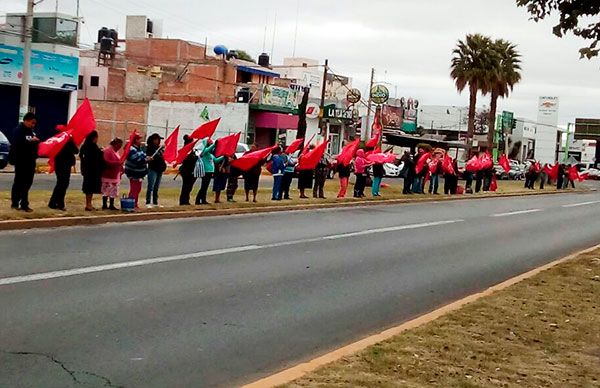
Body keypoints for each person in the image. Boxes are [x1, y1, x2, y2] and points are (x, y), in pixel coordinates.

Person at [10, 112, 39, 212]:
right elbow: (17, 143)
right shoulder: (18, 130)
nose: (33, 125)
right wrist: (30, 140)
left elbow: (34, 144)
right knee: (19, 182)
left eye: (34, 123)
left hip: (30, 161)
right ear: (26, 121)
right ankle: (15, 203)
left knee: (27, 183)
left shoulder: (32, 132)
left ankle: (24, 203)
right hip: (21, 161)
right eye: (32, 123)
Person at [48, 133, 78, 211]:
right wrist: (72, 141)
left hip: (59, 165)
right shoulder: (68, 142)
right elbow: (76, 150)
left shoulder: (59, 142)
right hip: (65, 165)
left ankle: (54, 202)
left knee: (60, 184)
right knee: (63, 184)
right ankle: (58, 203)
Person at [79, 130, 104, 211]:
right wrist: (101, 152)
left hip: (86, 169)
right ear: (94, 137)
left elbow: (81, 155)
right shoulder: (91, 146)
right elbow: (96, 157)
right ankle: (88, 204)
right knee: (89, 187)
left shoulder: (85, 145)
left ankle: (89, 203)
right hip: (92, 170)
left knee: (89, 187)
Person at [194, 139, 223, 205]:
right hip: (206, 171)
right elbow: (206, 150)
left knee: (205, 187)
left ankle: (203, 199)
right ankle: (198, 200)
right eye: (210, 143)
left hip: (210, 172)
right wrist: (214, 144)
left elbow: (216, 160)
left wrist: (223, 156)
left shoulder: (210, 155)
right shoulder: (204, 152)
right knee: (203, 187)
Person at [124, 133, 149, 209]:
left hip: (139, 173)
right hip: (134, 172)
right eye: (139, 139)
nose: (141, 141)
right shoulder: (131, 149)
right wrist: (146, 160)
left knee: (138, 189)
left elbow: (142, 155)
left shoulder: (139, 148)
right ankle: (131, 204)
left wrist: (146, 157)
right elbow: (136, 159)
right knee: (134, 189)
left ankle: (135, 203)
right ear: (135, 140)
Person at [101, 138, 123, 210]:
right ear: (115, 144)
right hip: (108, 174)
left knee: (113, 190)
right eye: (119, 145)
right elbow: (106, 161)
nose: (120, 147)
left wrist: (121, 168)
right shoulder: (108, 151)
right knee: (106, 190)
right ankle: (104, 204)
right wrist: (117, 163)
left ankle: (111, 204)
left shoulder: (116, 152)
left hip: (115, 174)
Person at [145, 133, 166, 208]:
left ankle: (155, 202)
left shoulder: (159, 148)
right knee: (151, 186)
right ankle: (148, 201)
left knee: (156, 187)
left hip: (159, 169)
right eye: (158, 139)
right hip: (153, 169)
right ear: (154, 140)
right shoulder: (150, 148)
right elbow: (150, 157)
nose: (159, 141)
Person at [178, 135, 198, 205]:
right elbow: (186, 160)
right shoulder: (186, 150)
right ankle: (183, 201)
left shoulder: (191, 150)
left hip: (191, 170)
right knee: (186, 187)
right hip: (187, 170)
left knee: (188, 187)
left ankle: (186, 200)